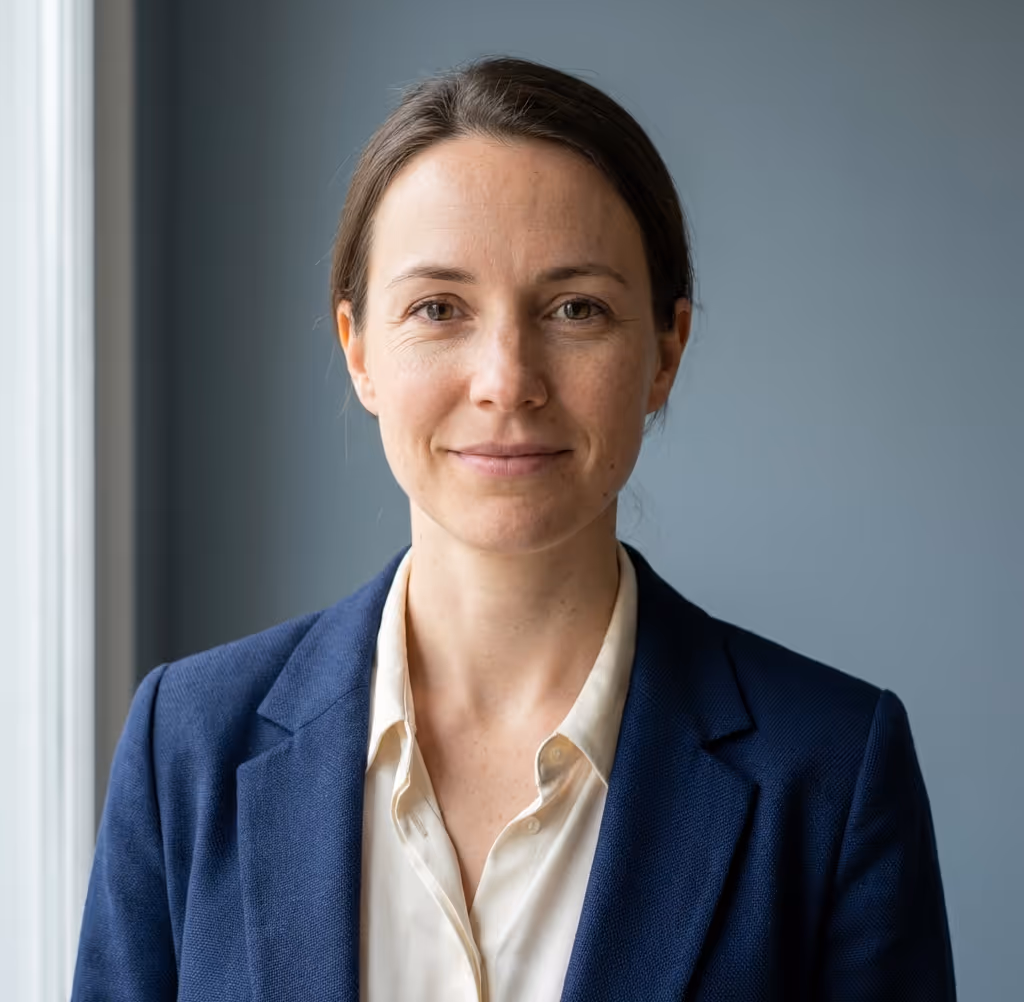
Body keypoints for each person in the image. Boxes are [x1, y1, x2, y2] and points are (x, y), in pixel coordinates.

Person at [72, 56, 956, 1001]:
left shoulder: (831, 772)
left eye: (576, 309)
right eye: (438, 309)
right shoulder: (187, 744)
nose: (506, 380)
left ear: (666, 351)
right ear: (358, 350)